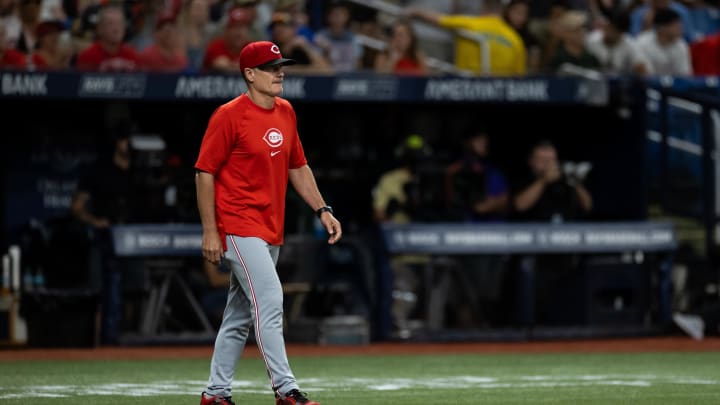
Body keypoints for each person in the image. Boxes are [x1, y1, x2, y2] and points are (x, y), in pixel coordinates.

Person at [195, 40, 341, 405]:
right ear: (249, 74)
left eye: (281, 66)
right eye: (271, 67)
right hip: (238, 224)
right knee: (271, 298)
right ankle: (285, 389)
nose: (280, 73)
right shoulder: (229, 114)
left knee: (239, 315)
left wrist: (323, 209)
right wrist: (211, 230)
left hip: (270, 225)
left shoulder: (286, 111)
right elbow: (203, 172)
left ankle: (215, 394)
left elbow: (298, 166)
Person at [406, 0, 527, 76]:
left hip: (467, 91)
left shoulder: (469, 23)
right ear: (502, 11)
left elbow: (439, 19)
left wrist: (415, 11)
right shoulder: (515, 39)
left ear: (483, 6)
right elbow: (519, 76)